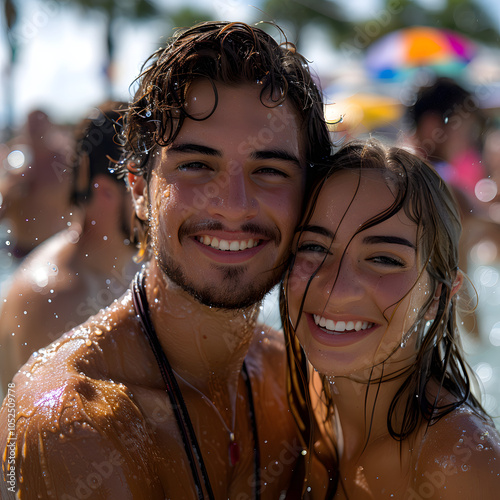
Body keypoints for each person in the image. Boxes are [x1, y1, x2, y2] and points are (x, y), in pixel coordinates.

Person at [0, 21, 332, 499]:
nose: (234, 205)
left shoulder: (294, 379)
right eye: (197, 165)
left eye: (269, 170)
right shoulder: (74, 418)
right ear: (137, 187)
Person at [281, 139, 500, 499]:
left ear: (440, 296)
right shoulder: (283, 393)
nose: (337, 288)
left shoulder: (459, 465)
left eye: (383, 259)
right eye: (314, 248)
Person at [0, 102, 140, 396]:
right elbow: (41, 438)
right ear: (105, 193)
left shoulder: (137, 266)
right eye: (147, 189)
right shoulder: (53, 301)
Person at [0, 110, 74, 288]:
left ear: (50, 129)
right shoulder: (14, 162)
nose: (35, 133)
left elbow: (81, 205)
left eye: (39, 127)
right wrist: (13, 187)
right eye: (31, 128)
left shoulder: (65, 161)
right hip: (21, 252)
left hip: (58, 250)